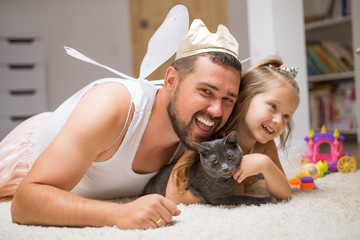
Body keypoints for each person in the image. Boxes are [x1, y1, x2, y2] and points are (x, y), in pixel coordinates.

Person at [0, 16, 242, 229]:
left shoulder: (201, 131)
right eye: (206, 91)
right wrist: (119, 213)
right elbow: (23, 203)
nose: (216, 110)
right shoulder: (111, 107)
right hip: (27, 154)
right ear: (170, 80)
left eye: (228, 98)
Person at [165, 56, 299, 204]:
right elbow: (173, 196)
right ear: (244, 98)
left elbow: (284, 193)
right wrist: (218, 198)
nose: (279, 121)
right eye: (273, 107)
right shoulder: (213, 139)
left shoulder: (265, 147)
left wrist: (265, 165)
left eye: (286, 116)